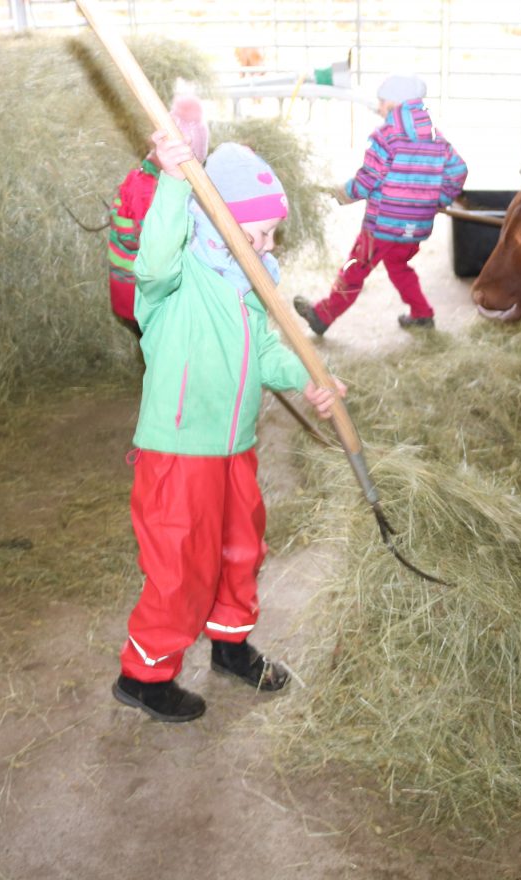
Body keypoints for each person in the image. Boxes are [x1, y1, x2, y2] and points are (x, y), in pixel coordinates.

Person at [113, 132, 345, 722]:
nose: (267, 245)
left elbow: (269, 350)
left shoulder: (250, 286)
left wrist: (310, 378)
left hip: (235, 446)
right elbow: (155, 259)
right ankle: (144, 674)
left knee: (240, 551)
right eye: (257, 232)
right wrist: (171, 180)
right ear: (217, 220)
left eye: (272, 234)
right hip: (178, 450)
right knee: (179, 565)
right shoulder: (177, 278)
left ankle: (230, 644)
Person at [293, 73, 467, 335]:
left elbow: (369, 179)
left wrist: (345, 193)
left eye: (382, 102)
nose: (379, 107)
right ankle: (422, 314)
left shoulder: (386, 136)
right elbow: (458, 170)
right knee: (399, 267)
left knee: (354, 269)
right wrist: (438, 198)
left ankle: (322, 316)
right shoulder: (435, 136)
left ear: (394, 104)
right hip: (414, 228)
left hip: (382, 226)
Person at [107, 94, 210, 337]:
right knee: (161, 350)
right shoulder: (146, 188)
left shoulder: (156, 180)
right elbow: (154, 246)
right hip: (141, 293)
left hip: (151, 290)